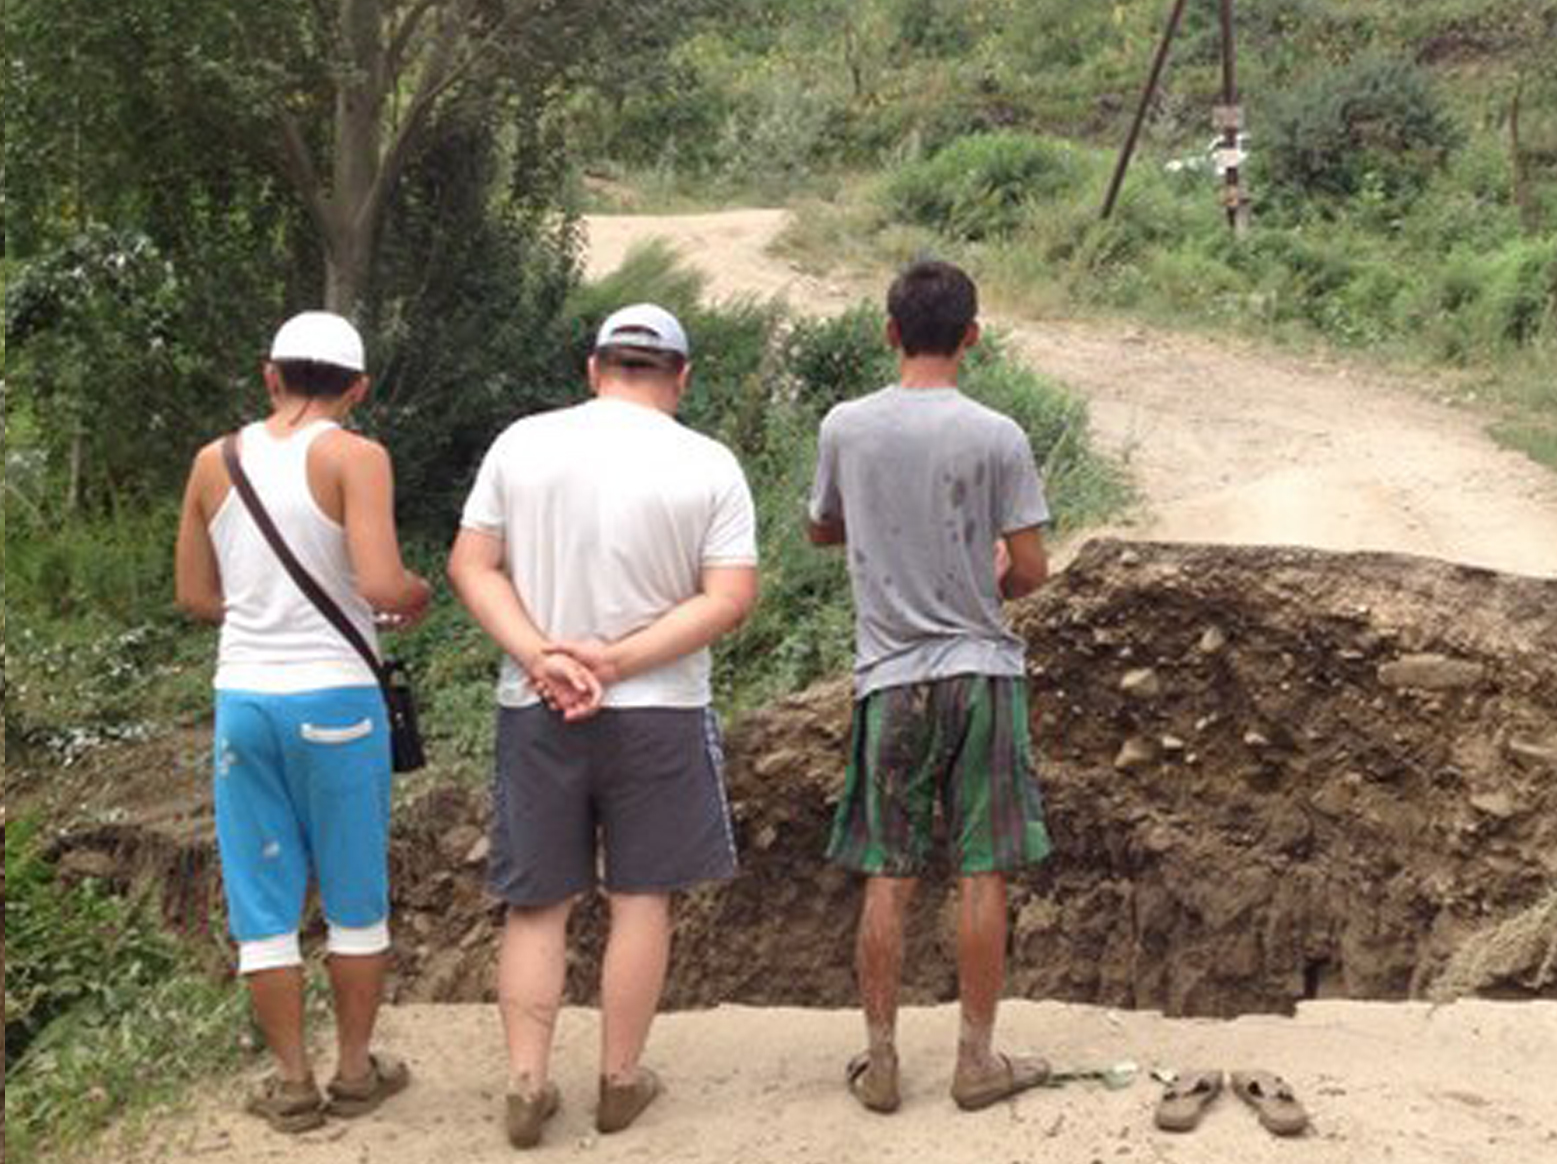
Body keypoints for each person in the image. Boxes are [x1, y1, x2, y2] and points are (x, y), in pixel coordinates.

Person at [448, 303, 759, 1149]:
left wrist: (540, 655)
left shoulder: (522, 443)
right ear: (681, 377)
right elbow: (729, 597)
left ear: (593, 368)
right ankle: (619, 1080)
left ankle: (525, 1084)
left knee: (535, 904)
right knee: (640, 897)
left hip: (537, 705)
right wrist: (614, 663)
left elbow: (471, 565)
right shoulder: (708, 464)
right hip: (660, 711)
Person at [807, 260, 1056, 1115]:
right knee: (981, 871)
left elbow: (821, 527)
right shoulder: (998, 436)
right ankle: (975, 1061)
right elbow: (1031, 571)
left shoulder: (846, 426)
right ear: (971, 336)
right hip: (982, 674)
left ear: (889, 332)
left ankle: (881, 1062)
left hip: (890, 678)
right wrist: (992, 567)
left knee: (888, 871)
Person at [174, 310, 431, 1133]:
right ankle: (354, 1073)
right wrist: (419, 595)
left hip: (244, 702)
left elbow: (196, 596)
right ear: (358, 388)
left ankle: (291, 1084)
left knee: (262, 901)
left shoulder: (213, 461)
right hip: (336, 702)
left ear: (270, 375)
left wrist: (263, 613)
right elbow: (382, 586)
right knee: (354, 895)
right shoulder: (356, 457)